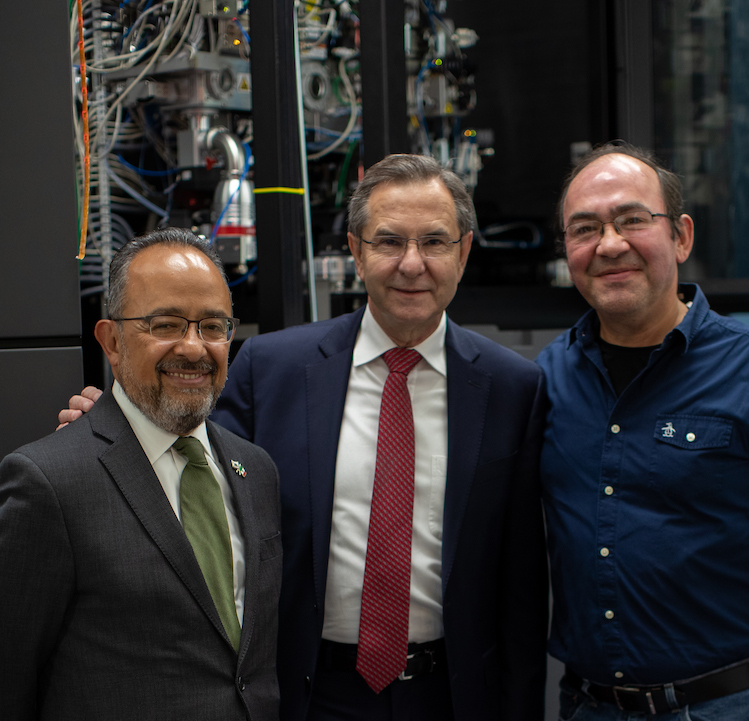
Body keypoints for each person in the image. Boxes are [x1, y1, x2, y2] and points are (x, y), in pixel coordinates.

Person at [60, 155, 548, 721]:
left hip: (452, 696)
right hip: (308, 692)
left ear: (463, 252)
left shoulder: (513, 388)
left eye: (434, 242)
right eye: (388, 241)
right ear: (356, 251)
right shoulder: (272, 369)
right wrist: (116, 432)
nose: (412, 264)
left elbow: (522, 587)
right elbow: (195, 476)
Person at [2, 229, 282, 721]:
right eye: (167, 324)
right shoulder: (50, 484)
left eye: (213, 327)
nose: (195, 348)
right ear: (112, 341)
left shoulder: (255, 470)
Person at [538, 141, 749, 721]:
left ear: (682, 236)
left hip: (732, 705)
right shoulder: (544, 380)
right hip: (587, 706)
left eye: (633, 221)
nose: (610, 245)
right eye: (585, 229)